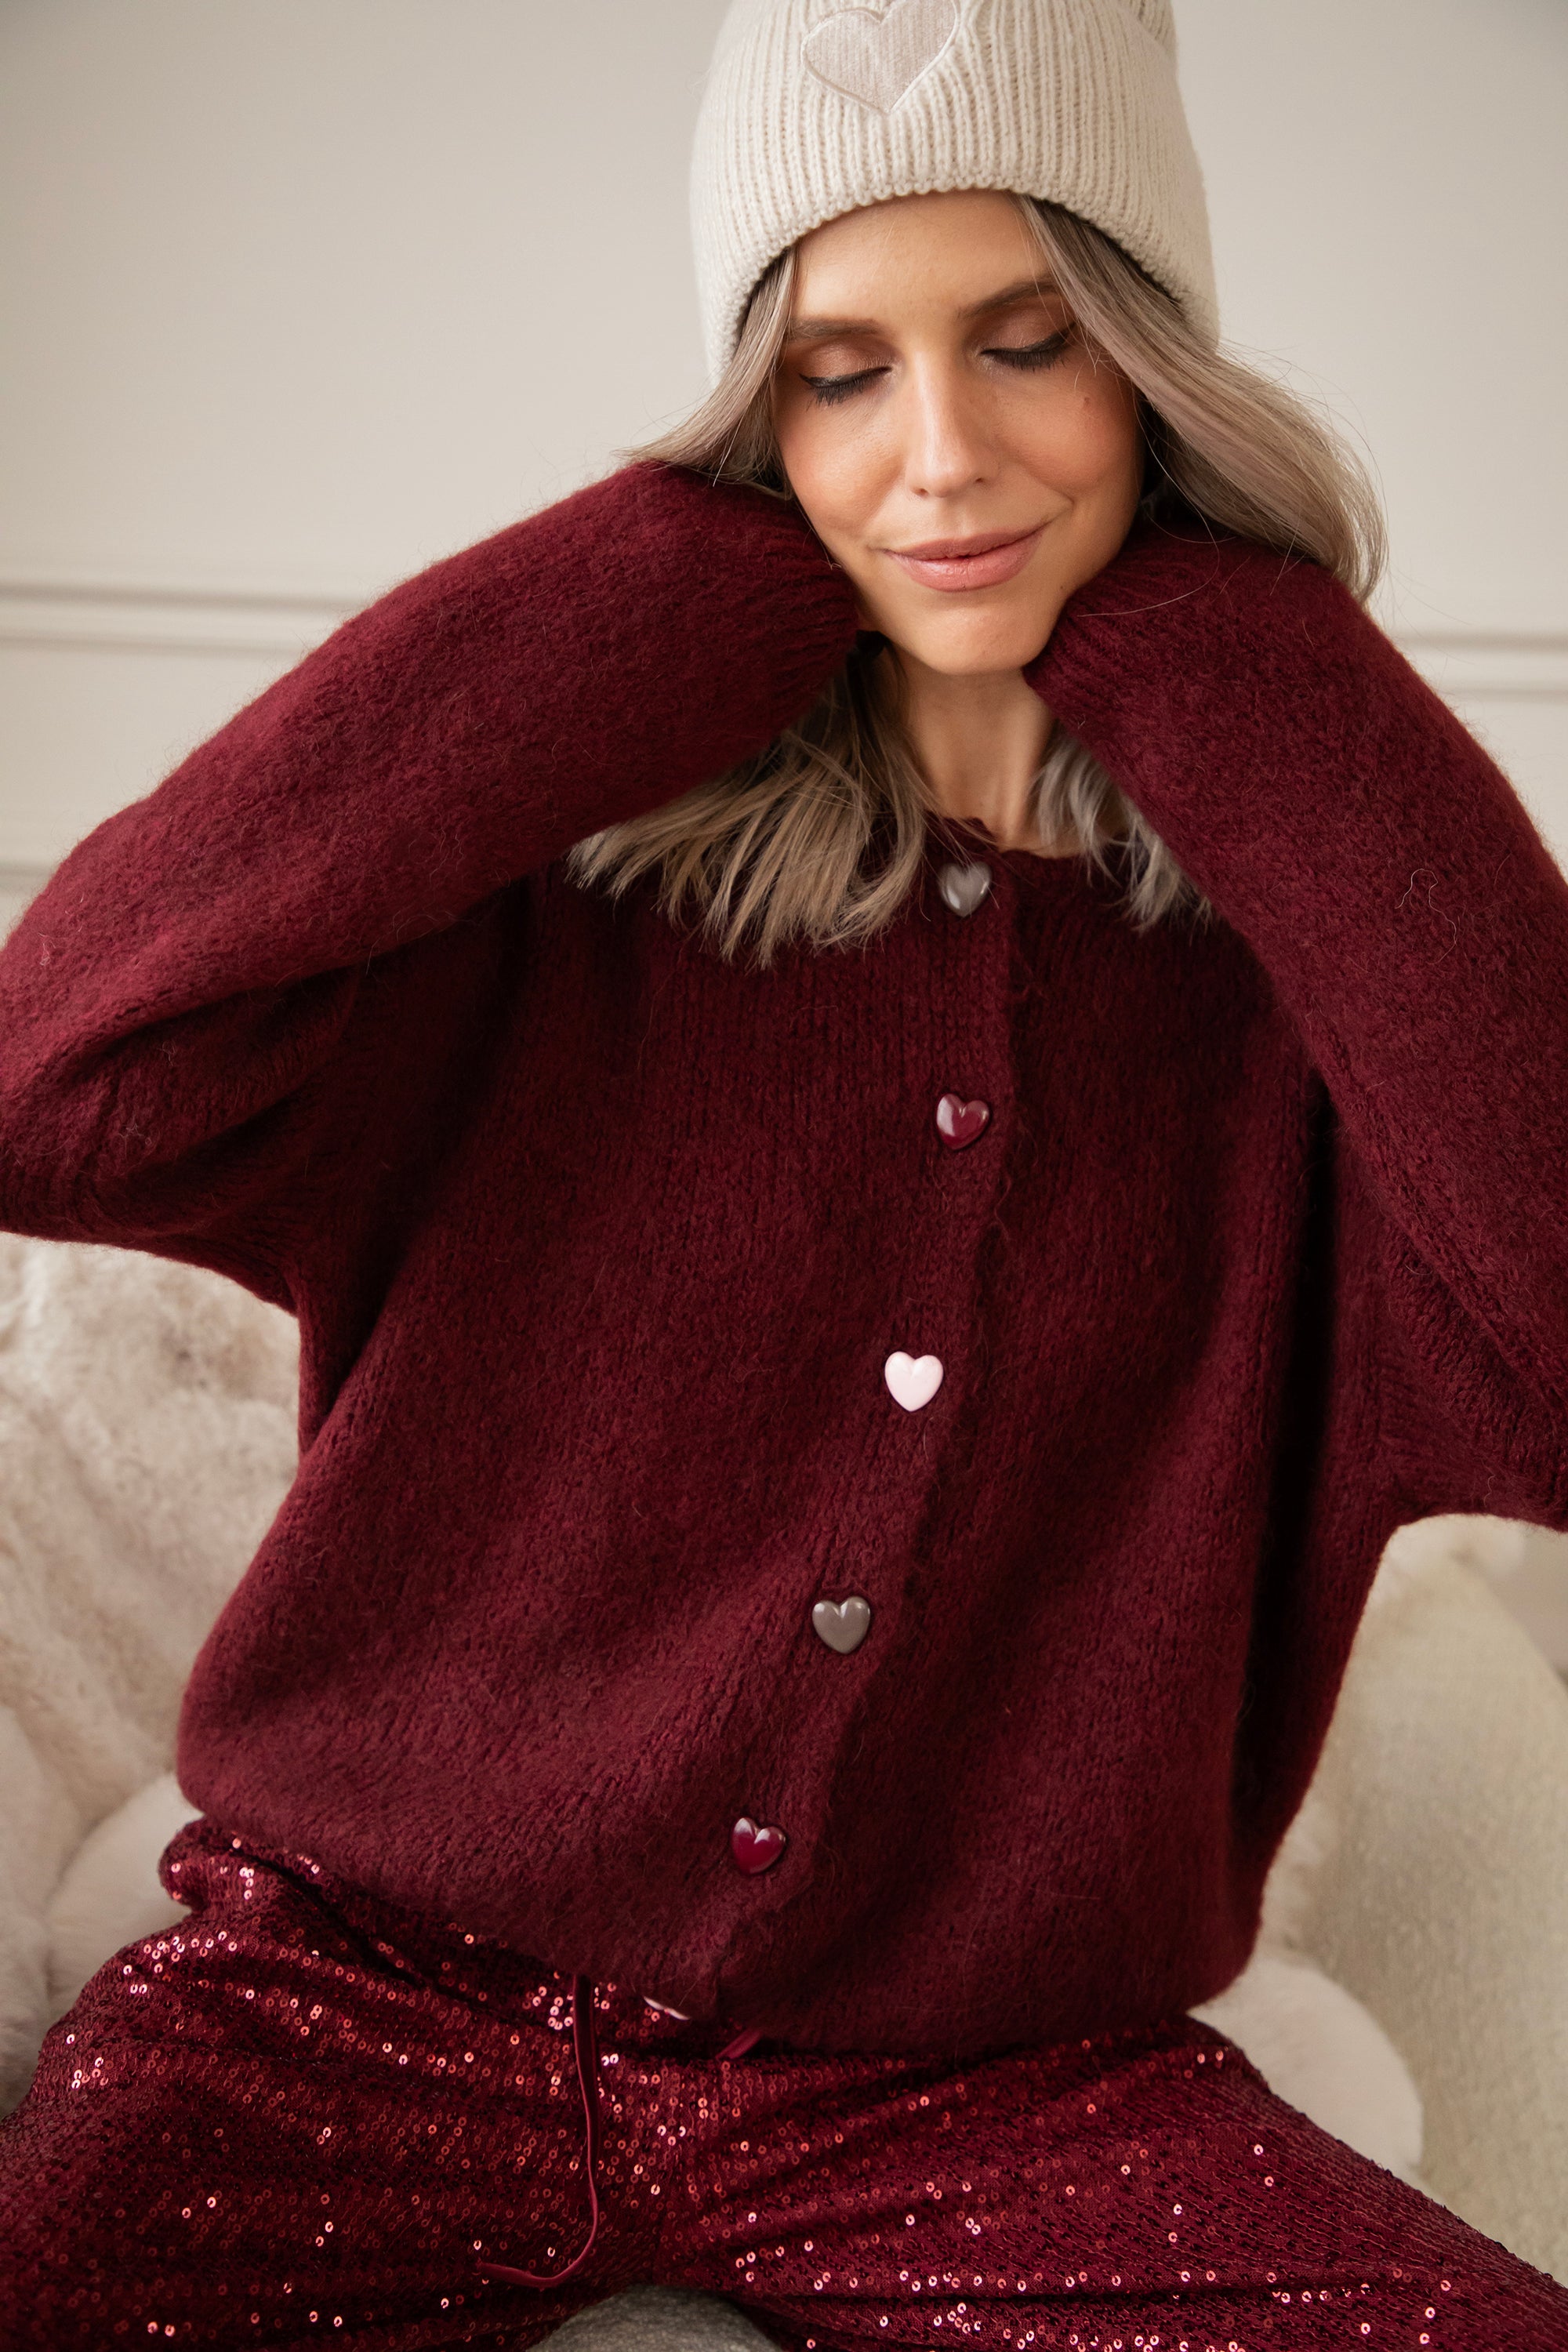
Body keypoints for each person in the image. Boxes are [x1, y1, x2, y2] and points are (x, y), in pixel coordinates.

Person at [1, 0, 1566, 2343]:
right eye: (840, 374)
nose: (941, 452)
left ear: (1156, 369)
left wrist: (1236, 637)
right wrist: (685, 573)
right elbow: (50, 1081)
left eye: (1030, 345)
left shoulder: (1299, 1000)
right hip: (353, 2015)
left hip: (991, 2099)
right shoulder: (552, 909)